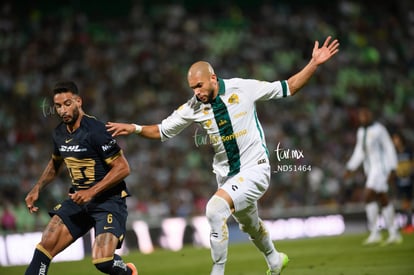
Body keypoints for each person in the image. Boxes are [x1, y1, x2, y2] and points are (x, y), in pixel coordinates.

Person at [106, 36, 339, 275]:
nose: (197, 92)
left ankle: (217, 272)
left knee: (215, 209)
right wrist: (134, 128)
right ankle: (274, 260)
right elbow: (162, 130)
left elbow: (288, 87)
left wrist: (314, 63)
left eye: (199, 86)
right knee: (250, 225)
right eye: (192, 88)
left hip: (255, 168)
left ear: (213, 79)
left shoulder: (242, 88)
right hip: (228, 176)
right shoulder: (193, 107)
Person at [24, 81, 138, 275]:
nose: (62, 110)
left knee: (102, 261)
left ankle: (127, 271)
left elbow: (123, 167)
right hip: (78, 201)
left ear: (78, 101)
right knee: (46, 245)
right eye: (58, 106)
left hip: (108, 202)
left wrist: (91, 191)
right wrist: (37, 187)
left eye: (67, 103)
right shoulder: (59, 133)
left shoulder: (96, 130)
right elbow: (55, 164)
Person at [344, 106, 402, 245]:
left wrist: (393, 168)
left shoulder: (379, 129)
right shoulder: (361, 132)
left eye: (365, 115)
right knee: (382, 199)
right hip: (370, 170)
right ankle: (393, 232)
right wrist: (350, 167)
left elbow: (389, 147)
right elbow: (359, 151)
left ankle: (375, 232)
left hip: (381, 169)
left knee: (368, 195)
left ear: (370, 116)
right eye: (361, 116)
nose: (363, 118)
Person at [391, 131, 414, 233]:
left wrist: (408, 170)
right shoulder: (394, 153)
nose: (395, 141)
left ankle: (409, 223)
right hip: (400, 181)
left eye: (396, 139)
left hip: (410, 179)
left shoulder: (408, 150)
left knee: (408, 202)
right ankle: (407, 223)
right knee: (404, 203)